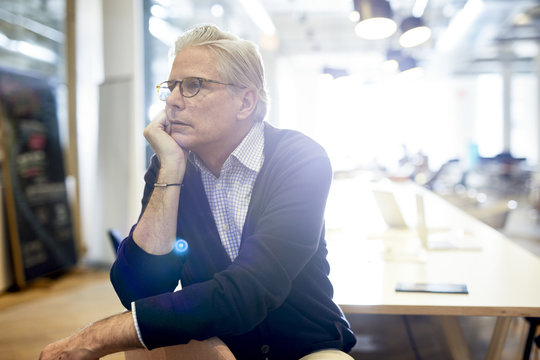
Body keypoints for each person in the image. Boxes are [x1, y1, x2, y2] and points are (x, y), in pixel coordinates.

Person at [39, 24, 356, 360]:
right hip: (216, 346)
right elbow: (139, 290)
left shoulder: (299, 159)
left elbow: (251, 291)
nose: (173, 102)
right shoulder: (169, 166)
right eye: (172, 87)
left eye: (193, 86)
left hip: (306, 346)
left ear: (245, 101)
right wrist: (171, 170)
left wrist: (100, 335)